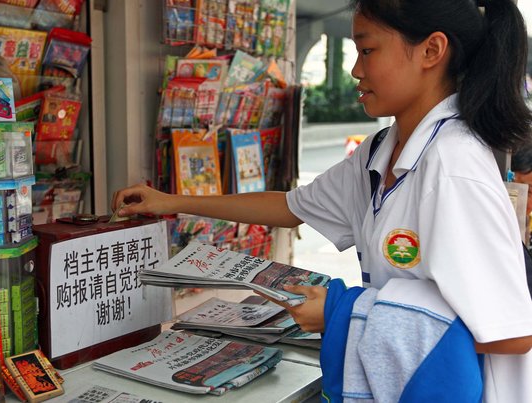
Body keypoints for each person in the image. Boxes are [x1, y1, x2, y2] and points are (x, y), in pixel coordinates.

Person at [112, 0, 532, 401]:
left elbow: (510, 334)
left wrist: (343, 314)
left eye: (368, 50)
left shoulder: (454, 166)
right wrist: (171, 201)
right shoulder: (380, 152)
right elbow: (290, 208)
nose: (354, 69)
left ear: (431, 50)